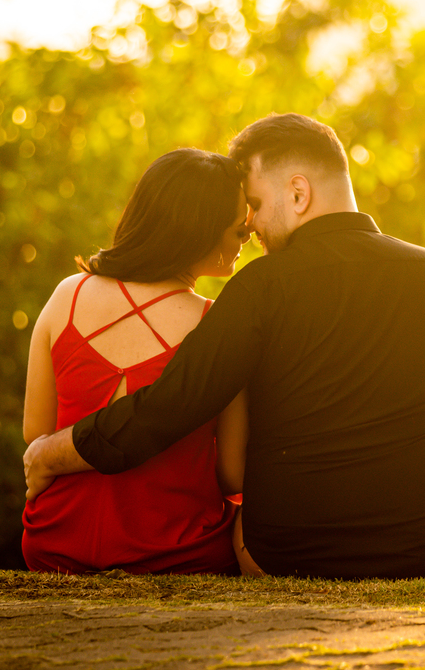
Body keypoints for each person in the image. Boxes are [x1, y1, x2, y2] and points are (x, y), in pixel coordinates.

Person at [24, 113, 425, 580]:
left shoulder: (257, 289)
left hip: (280, 554)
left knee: (241, 518)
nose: (249, 225)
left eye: (255, 204)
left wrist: (53, 451)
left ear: (298, 192)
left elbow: (168, 407)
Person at [21, 148, 250, 575]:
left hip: (54, 543)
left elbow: (37, 434)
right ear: (199, 231)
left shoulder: (66, 296)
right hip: (175, 552)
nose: (247, 238)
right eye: (239, 231)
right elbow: (233, 473)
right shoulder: (218, 324)